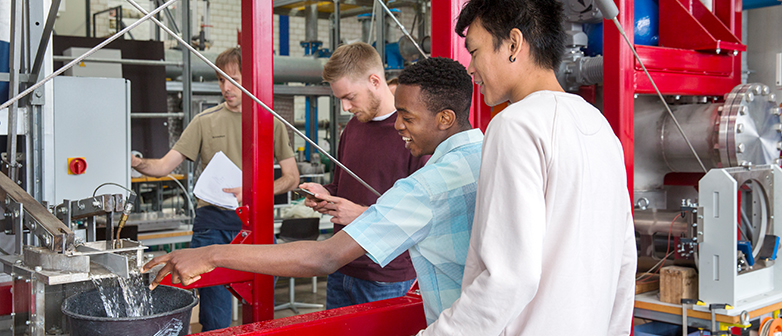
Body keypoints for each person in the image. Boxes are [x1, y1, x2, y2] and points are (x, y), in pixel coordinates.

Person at [143, 57, 483, 325]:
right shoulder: (485, 154)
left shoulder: (428, 185)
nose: (397, 125)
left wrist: (211, 254)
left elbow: (324, 256)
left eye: (407, 117)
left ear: (445, 118)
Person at [419, 0, 637, 335]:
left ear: (513, 44)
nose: (471, 69)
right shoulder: (599, 126)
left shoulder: (515, 125)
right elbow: (624, 260)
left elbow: (508, 278)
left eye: (475, 52)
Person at [131, 47, 299, 331]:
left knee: (263, 309)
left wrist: (256, 192)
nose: (226, 87)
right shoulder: (204, 122)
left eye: (233, 79)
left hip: (257, 227)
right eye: (221, 79)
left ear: (252, 80)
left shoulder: (270, 122)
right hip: (212, 227)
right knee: (215, 315)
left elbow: (291, 178)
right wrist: (134, 161)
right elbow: (161, 167)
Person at [298, 42, 426, 310]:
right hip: (340, 264)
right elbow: (343, 185)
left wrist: (358, 214)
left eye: (350, 97)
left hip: (384, 277)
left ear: (374, 81)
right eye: (340, 99)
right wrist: (326, 194)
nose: (345, 107)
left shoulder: (414, 133)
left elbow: (420, 217)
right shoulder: (354, 128)